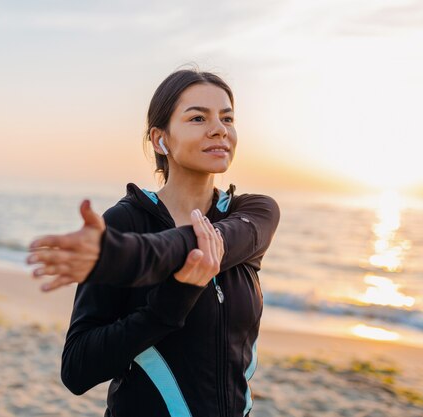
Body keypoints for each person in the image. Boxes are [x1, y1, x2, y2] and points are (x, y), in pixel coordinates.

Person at [26, 67, 281, 417]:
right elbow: (77, 368)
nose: (219, 129)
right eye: (197, 118)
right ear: (161, 139)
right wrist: (171, 301)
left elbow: (203, 245)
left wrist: (119, 255)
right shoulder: (125, 223)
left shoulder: (253, 213)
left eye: (227, 117)